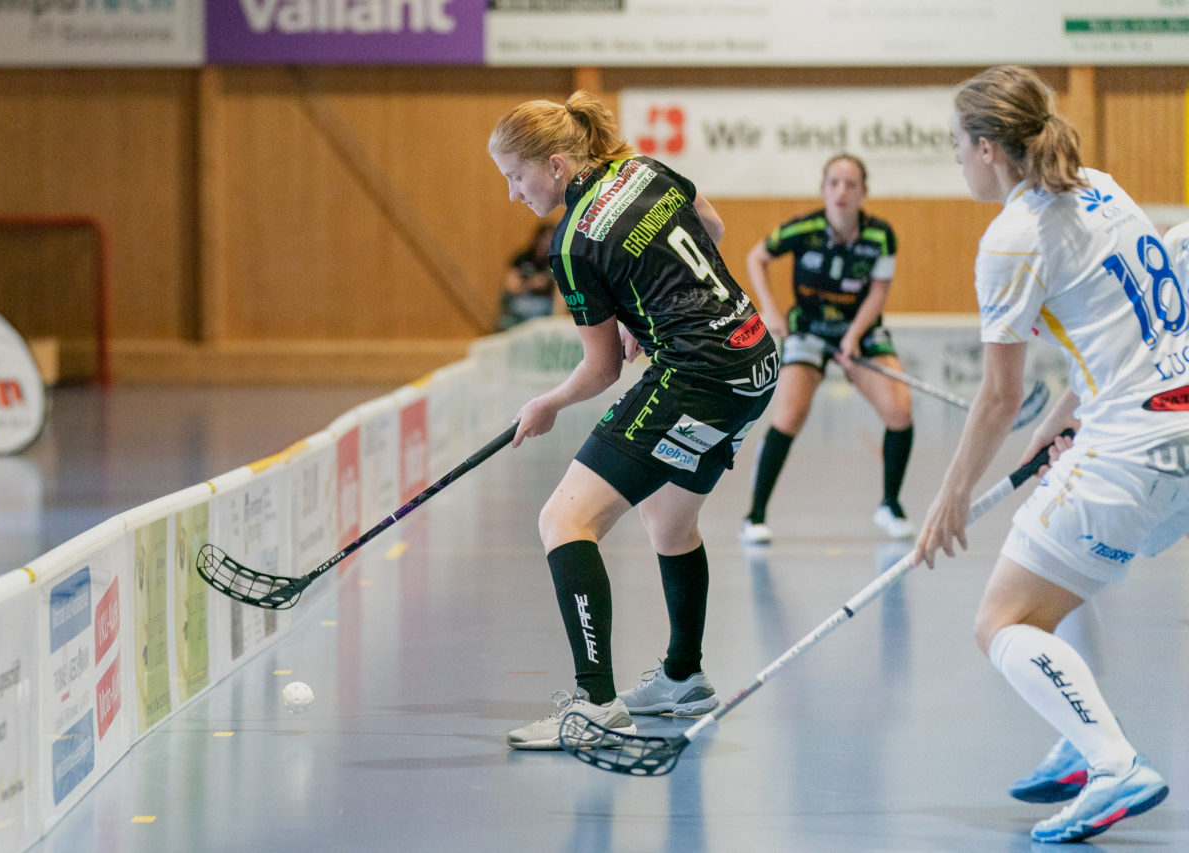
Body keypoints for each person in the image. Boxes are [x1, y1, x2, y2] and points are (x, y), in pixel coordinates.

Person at [915, 65, 1188, 843]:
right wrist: (1064, 421)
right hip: (1175, 431)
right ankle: (1078, 739)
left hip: (1130, 453)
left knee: (1000, 620)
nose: (957, 160)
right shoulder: (1101, 186)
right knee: (1054, 577)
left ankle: (1113, 763)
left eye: (958, 146)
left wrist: (952, 493)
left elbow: (1000, 397)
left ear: (990, 150)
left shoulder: (1011, 237)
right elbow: (1123, 329)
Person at [488, 91, 778, 749]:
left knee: (564, 519)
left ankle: (594, 705)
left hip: (698, 377)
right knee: (668, 519)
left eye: (515, 175)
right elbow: (713, 226)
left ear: (557, 165)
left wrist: (546, 404)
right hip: (752, 359)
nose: (512, 193)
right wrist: (653, 307)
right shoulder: (644, 169)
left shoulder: (570, 244)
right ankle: (682, 676)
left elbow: (598, 372)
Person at [740, 154, 914, 545]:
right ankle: (755, 515)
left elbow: (879, 292)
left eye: (851, 184)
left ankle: (890, 504)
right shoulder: (804, 228)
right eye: (834, 182)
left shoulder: (881, 235)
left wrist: (853, 337)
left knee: (899, 411)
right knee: (789, 415)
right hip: (810, 329)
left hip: (861, 329)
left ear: (863, 192)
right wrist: (769, 310)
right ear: (823, 189)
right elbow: (757, 256)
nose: (842, 191)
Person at [495, 222, 557, 330]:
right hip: (522, 303)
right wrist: (531, 284)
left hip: (544, 306)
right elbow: (510, 287)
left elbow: (560, 292)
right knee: (516, 312)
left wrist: (556, 316)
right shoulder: (523, 258)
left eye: (550, 240)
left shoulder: (555, 262)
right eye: (544, 239)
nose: (546, 243)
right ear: (537, 239)